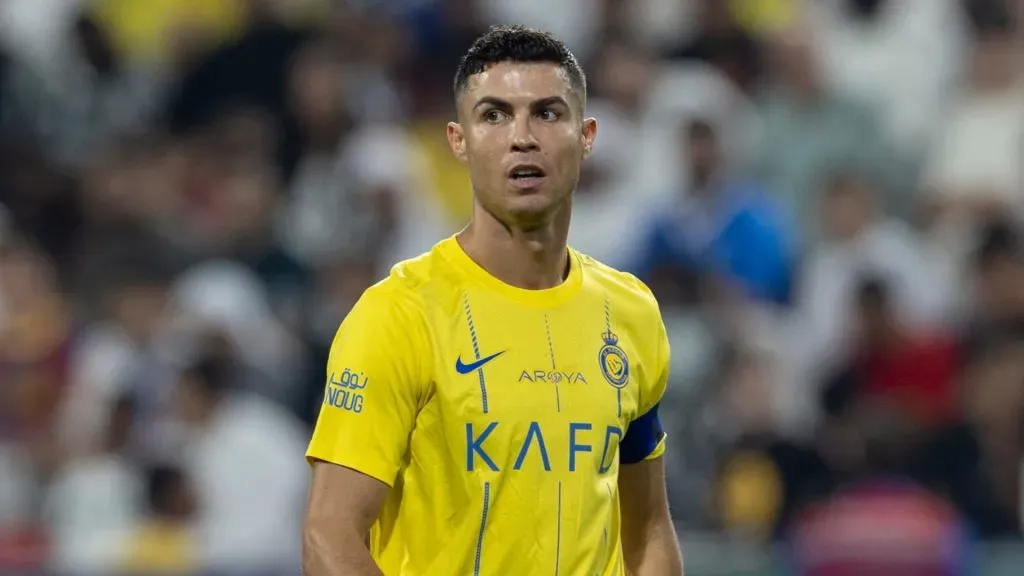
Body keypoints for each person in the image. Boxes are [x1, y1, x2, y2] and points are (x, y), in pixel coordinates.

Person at [302, 25, 684, 576]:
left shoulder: (631, 313)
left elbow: (646, 528)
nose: (521, 137)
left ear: (587, 136)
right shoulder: (399, 314)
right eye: (495, 115)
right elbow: (329, 534)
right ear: (458, 140)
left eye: (548, 114)